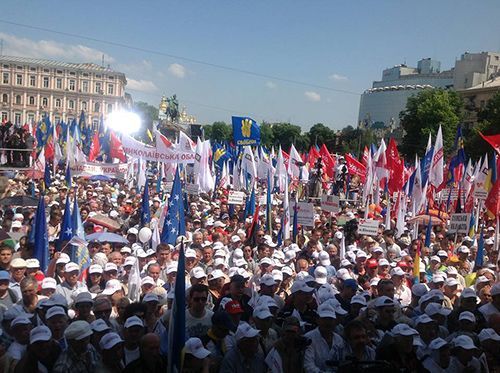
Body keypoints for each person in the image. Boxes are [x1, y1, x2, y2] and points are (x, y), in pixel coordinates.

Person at [303, 303, 345, 372]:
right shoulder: (308, 338)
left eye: (330, 319)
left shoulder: (339, 340)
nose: (327, 322)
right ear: (317, 320)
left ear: (334, 321)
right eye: (324, 319)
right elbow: (308, 366)